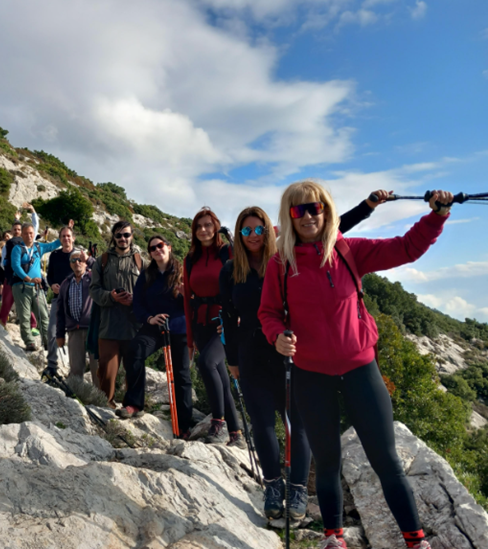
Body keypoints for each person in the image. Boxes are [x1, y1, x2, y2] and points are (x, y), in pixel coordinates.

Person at [258, 180, 452, 549]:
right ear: (289, 216)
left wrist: (437, 216)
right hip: (311, 375)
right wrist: (277, 335)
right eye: (298, 210)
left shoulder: (349, 251)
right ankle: (334, 538)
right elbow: (268, 312)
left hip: (361, 370)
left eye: (314, 207)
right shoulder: (279, 263)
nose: (308, 216)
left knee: (387, 462)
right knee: (327, 463)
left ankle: (416, 541)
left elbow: (407, 249)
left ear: (326, 210)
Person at [219, 191, 390, 521]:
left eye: (259, 229)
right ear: (238, 236)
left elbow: (333, 227)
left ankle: (298, 487)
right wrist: (232, 360)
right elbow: (228, 316)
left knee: (298, 423)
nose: (253, 236)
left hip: (289, 350)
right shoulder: (230, 271)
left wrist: (367, 207)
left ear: (269, 232)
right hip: (251, 352)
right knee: (262, 424)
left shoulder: (285, 258)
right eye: (246, 231)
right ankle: (272, 485)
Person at [119, 235, 193, 436]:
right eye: (152, 248)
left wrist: (188, 294)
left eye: (160, 246)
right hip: (154, 326)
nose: (157, 250)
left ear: (168, 247)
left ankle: (184, 425)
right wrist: (149, 318)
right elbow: (138, 303)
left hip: (178, 327)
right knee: (135, 351)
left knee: (182, 374)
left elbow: (194, 299)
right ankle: (134, 404)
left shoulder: (182, 271)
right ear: (150, 253)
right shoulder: (147, 274)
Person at [183, 208, 243, 447]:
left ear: (216, 226)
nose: (203, 230)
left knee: (206, 363)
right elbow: (187, 299)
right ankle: (236, 434)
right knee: (220, 377)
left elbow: (240, 285)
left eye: (208, 225)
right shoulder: (190, 259)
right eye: (199, 226)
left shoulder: (227, 251)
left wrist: (237, 319)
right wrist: (189, 340)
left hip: (224, 322)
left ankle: (217, 422)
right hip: (200, 323)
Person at [89, 220, 144, 406]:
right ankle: (105, 408)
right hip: (109, 327)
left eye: (126, 235)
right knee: (107, 373)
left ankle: (131, 408)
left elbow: (150, 293)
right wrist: (111, 296)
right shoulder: (102, 260)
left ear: (132, 236)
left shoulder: (140, 262)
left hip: (134, 328)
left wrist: (134, 300)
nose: (123, 238)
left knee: (134, 371)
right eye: (119, 235)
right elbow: (94, 290)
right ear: (113, 237)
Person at [45, 221, 92, 375]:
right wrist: (52, 286)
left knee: (78, 336)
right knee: (52, 332)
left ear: (73, 238)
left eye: (68, 236)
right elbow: (50, 275)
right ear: (60, 239)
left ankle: (81, 370)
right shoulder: (55, 255)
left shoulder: (80, 254)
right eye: (63, 236)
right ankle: (52, 365)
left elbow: (92, 273)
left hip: (81, 301)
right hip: (59, 299)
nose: (66, 239)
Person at [11, 222, 61, 351]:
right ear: (21, 234)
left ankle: (48, 341)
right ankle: (29, 342)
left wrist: (66, 233)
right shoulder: (17, 249)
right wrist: (29, 279)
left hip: (37, 287)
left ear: (34, 234)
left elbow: (53, 245)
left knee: (44, 315)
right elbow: (15, 266)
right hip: (21, 286)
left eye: (31, 233)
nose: (29, 236)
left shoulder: (39, 247)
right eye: (26, 233)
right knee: (25, 316)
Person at [56, 248, 97, 384]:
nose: (77, 262)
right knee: (75, 369)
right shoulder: (65, 284)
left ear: (85, 263)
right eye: (74, 260)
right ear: (70, 264)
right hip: (74, 331)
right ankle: (76, 399)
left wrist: (90, 260)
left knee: (97, 368)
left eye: (80, 260)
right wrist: (60, 334)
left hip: (94, 330)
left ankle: (102, 401)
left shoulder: (94, 278)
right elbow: (60, 311)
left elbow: (104, 270)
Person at [0, 203, 39, 326]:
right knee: (6, 302)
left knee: (26, 302)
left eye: (19, 230)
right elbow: (3, 262)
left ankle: (33, 325)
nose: (17, 231)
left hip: (25, 278)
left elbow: (36, 226)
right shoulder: (8, 244)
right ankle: (1, 324)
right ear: (11, 231)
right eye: (15, 230)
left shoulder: (28, 241)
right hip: (11, 278)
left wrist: (32, 210)